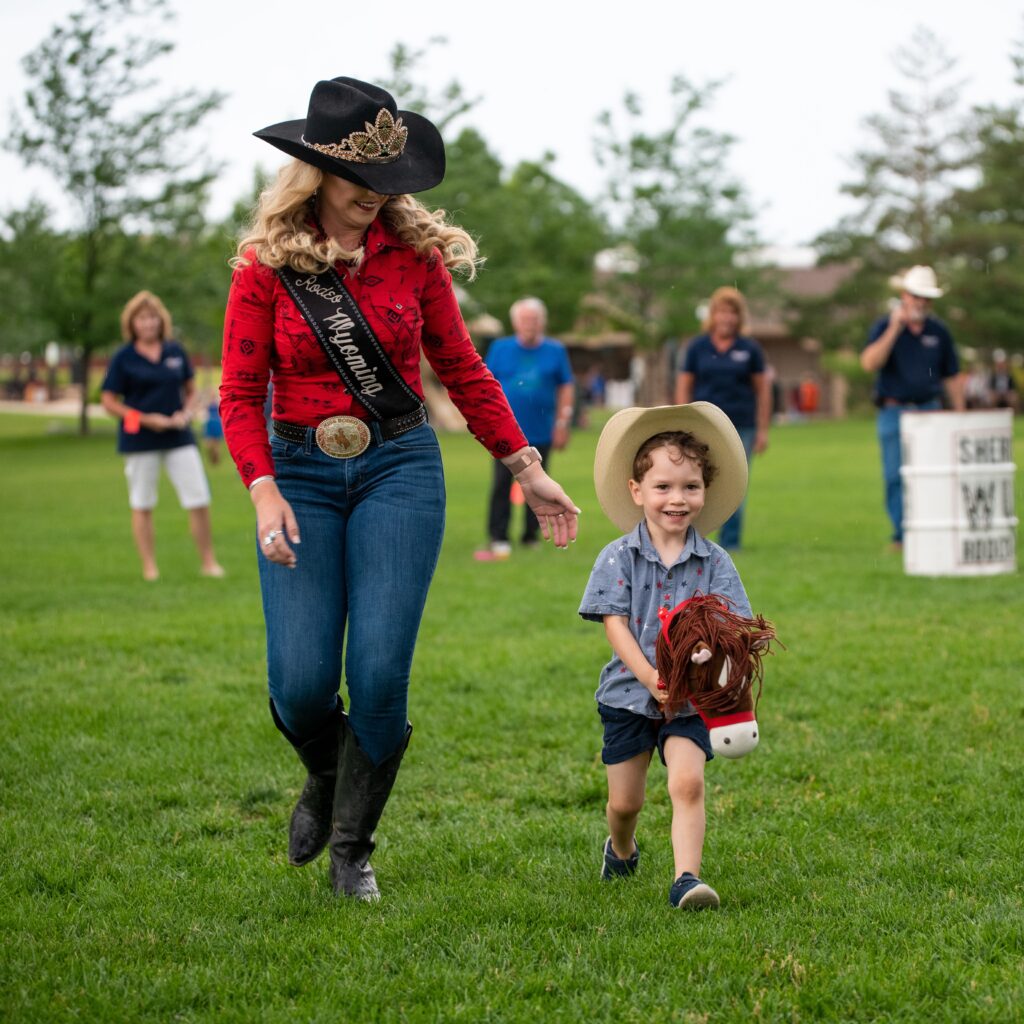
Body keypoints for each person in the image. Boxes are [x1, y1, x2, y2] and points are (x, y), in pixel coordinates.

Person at [219, 77, 580, 901]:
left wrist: (527, 467)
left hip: (399, 468)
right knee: (302, 682)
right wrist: (263, 489)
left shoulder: (412, 257)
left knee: (380, 674)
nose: (373, 204)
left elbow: (459, 366)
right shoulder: (264, 268)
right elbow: (238, 394)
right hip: (298, 473)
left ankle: (353, 846)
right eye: (357, 190)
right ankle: (325, 772)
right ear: (313, 178)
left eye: (387, 189)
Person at [580, 402, 752, 910]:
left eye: (690, 487)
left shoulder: (715, 561)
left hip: (692, 701)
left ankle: (686, 878)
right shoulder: (618, 556)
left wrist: (709, 650)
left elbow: (730, 627)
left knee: (687, 783)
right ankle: (622, 846)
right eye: (663, 487)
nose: (677, 499)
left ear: (704, 492)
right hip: (629, 695)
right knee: (624, 802)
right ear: (637, 493)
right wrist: (651, 674)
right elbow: (615, 624)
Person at [100, 291, 225, 582]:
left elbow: (191, 390)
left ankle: (209, 562)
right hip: (139, 439)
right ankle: (150, 568)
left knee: (198, 497)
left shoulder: (175, 352)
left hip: (178, 435)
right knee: (142, 502)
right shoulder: (123, 358)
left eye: (153, 317)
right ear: (132, 323)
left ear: (161, 320)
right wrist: (145, 419)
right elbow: (108, 401)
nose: (148, 323)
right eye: (142, 318)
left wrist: (185, 411)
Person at [860, 266, 965, 549]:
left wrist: (959, 412)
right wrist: (895, 327)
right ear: (905, 296)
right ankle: (901, 535)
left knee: (931, 474)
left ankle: (929, 531)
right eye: (916, 296)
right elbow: (870, 363)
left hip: (930, 409)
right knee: (895, 475)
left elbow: (952, 374)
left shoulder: (939, 331)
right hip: (894, 411)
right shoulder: (885, 326)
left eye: (926, 298)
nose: (920, 302)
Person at [476, 297, 575, 560]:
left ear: (542, 322)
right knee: (501, 483)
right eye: (524, 319)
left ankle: (531, 535)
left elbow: (566, 386)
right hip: (504, 432)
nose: (529, 324)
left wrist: (563, 421)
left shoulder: (555, 351)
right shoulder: (500, 348)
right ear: (515, 322)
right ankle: (498, 536)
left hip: (541, 429)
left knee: (540, 481)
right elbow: (485, 384)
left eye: (534, 319)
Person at [674, 287, 770, 550]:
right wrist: (680, 421)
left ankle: (730, 543)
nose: (726, 318)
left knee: (735, 483)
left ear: (739, 317)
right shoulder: (697, 348)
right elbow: (684, 386)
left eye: (732, 313)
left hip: (741, 425)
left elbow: (763, 391)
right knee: (695, 481)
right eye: (721, 312)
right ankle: (693, 540)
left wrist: (763, 429)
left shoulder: (750, 349)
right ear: (713, 315)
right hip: (702, 425)